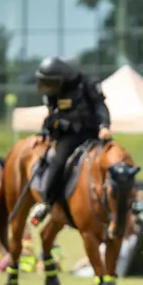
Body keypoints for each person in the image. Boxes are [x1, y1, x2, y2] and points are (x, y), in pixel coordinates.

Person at [29, 57, 113, 225]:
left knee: (114, 161)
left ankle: (119, 205)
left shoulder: (87, 84)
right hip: (68, 137)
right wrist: (44, 131)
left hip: (93, 133)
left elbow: (100, 106)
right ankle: (47, 202)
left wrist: (104, 126)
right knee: (58, 163)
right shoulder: (56, 89)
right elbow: (51, 114)